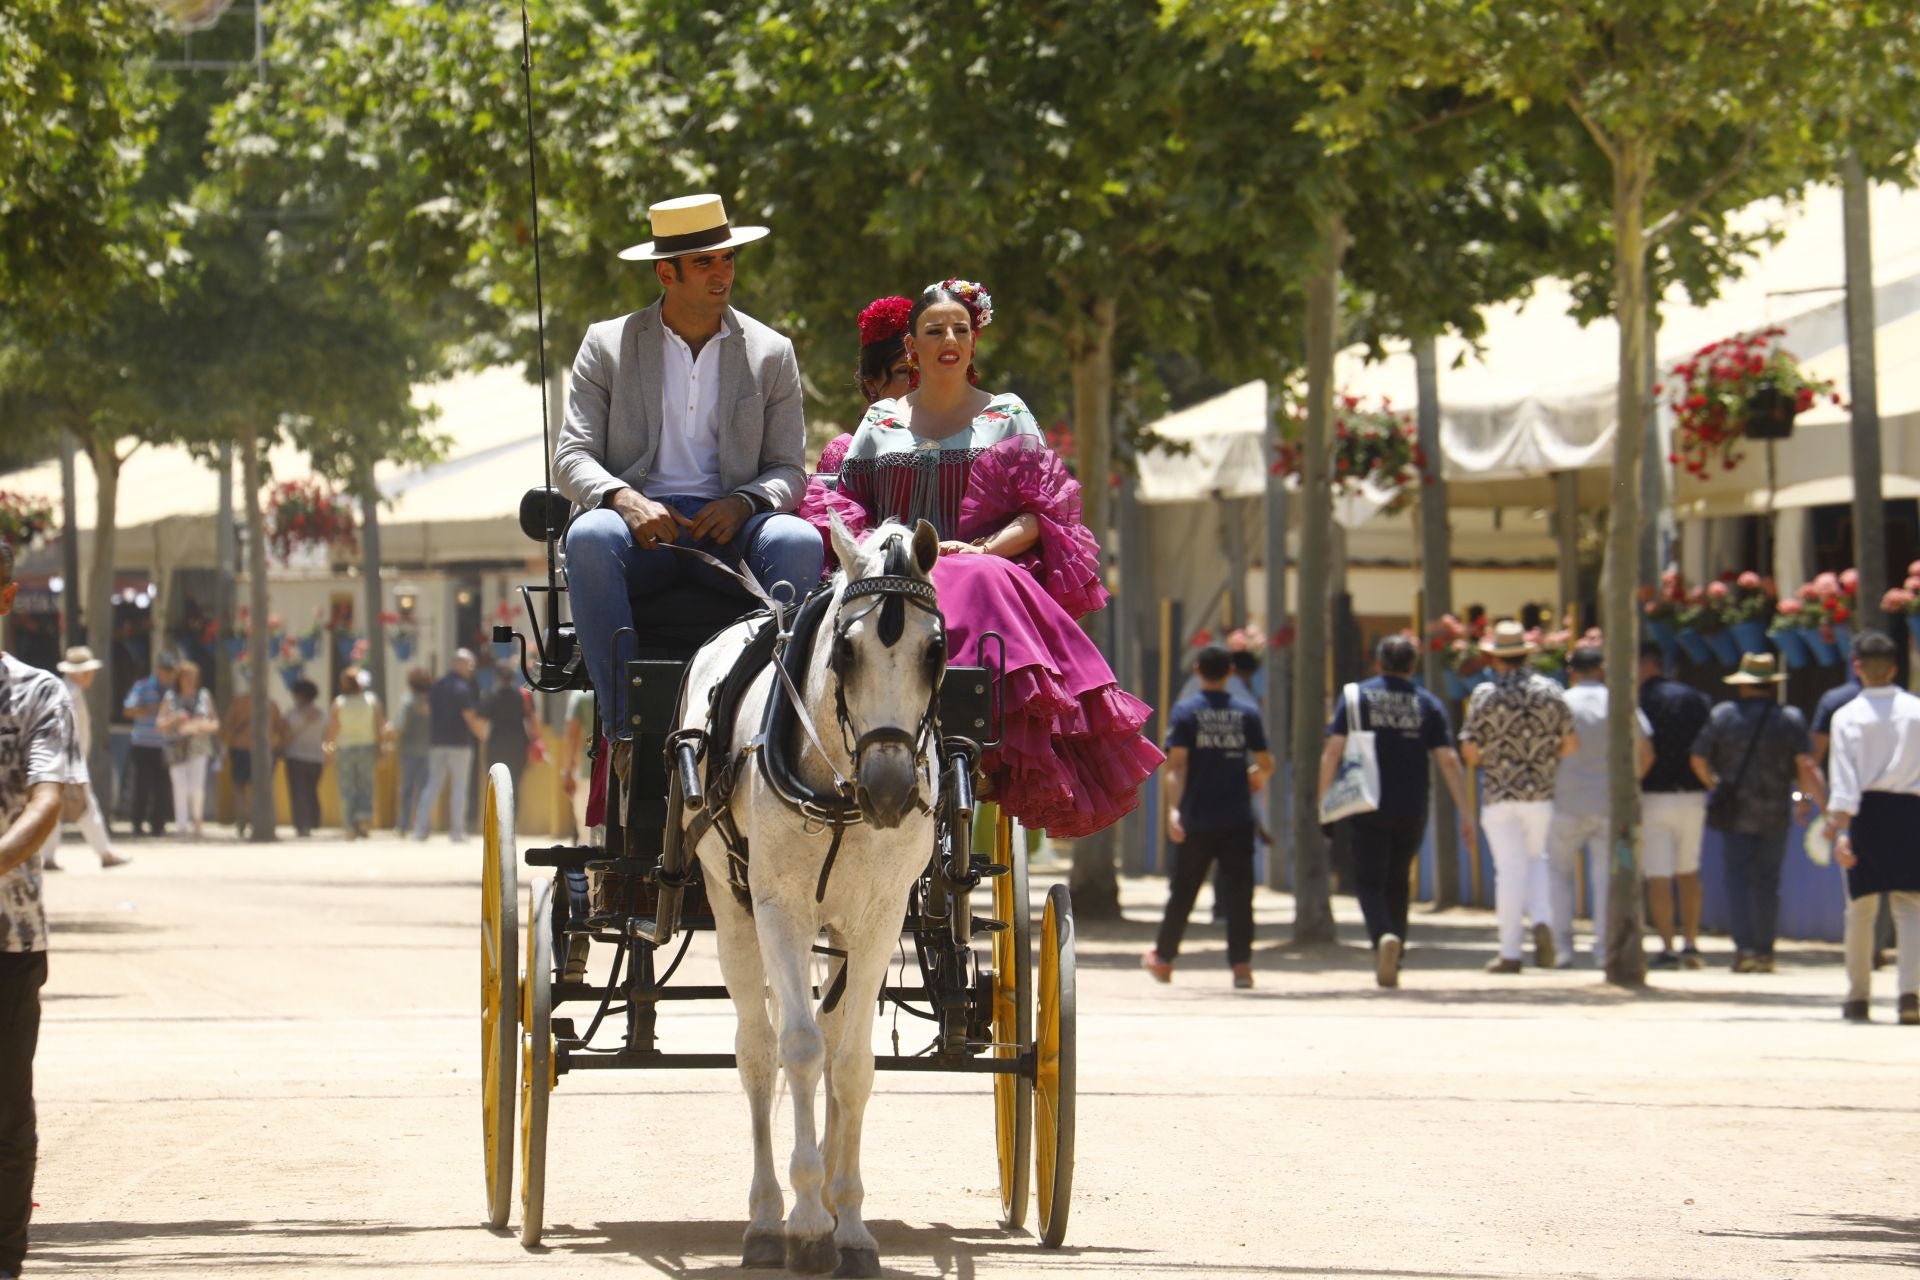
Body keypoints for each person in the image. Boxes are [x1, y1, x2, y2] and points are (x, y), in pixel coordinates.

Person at [818, 283, 1163, 837]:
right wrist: (882, 551)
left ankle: (965, 735)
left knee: (972, 573)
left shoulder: (1007, 414)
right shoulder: (880, 420)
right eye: (935, 331)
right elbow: (845, 500)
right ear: (912, 346)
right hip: (892, 572)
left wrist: (978, 548)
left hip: (987, 566)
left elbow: (1041, 514)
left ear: (973, 342)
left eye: (960, 329)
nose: (949, 339)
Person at [553, 193, 824, 773]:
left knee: (800, 542)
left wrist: (744, 501)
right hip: (636, 530)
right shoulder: (607, 345)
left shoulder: (771, 352)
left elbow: (788, 469)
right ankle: (624, 726)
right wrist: (625, 501)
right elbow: (571, 457)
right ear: (665, 272)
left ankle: (778, 722)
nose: (722, 273)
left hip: (732, 528)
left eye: (726, 259)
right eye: (705, 263)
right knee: (589, 538)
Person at [0, 539, 89, 1280]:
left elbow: (46, 801)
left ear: (6, 598)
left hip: (8, 936)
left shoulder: (36, 694)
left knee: (4, 1115)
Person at [1317, 634, 1475, 987]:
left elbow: (1333, 750)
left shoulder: (1356, 697)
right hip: (1412, 802)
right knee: (1399, 880)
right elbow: (1448, 759)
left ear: (1377, 663)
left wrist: (1323, 798)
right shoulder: (1427, 703)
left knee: (1369, 881)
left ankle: (1382, 937)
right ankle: (1397, 952)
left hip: (1366, 800)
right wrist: (1465, 810)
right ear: (1413, 666)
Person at [1142, 646, 1275, 989]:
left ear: (1198, 669)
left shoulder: (1186, 712)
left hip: (1197, 817)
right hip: (1238, 818)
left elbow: (1177, 766)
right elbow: (1266, 763)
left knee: (1183, 890)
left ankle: (1164, 959)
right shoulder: (1247, 712)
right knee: (1240, 893)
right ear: (1230, 671)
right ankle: (1241, 967)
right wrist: (1256, 778)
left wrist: (1174, 809)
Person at [1689, 653, 1822, 974]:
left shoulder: (1724, 716)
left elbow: (1698, 758)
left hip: (1734, 811)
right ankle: (1765, 951)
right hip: (1776, 810)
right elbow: (1804, 766)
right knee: (1767, 881)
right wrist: (1800, 799)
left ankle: (1744, 949)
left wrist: (1715, 785)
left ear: (1744, 685)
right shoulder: (1789, 719)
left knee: (1737, 878)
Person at [1458, 620, 1577, 974]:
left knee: (1508, 871)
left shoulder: (1484, 695)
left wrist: (1493, 756)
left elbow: (1469, 750)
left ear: (1496, 659)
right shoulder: (1552, 692)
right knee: (1536, 859)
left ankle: (1510, 950)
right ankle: (1541, 919)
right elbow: (1571, 743)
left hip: (1499, 793)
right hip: (1540, 793)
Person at [1823, 630, 1920, 1024]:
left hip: (1865, 814)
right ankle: (1910, 995)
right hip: (1911, 813)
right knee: (1911, 908)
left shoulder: (1847, 716)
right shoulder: (1917, 711)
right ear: (1895, 667)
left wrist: (1840, 830)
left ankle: (1858, 996)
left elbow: (1844, 782)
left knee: (1859, 911)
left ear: (1856, 666)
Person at [1547, 645, 1653, 968]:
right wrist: (1628, 787)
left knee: (1557, 874)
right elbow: (1646, 752)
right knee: (1606, 879)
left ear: (1571, 672)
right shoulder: (1619, 702)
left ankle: (1561, 948)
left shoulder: (1560, 704)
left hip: (1564, 800)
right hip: (1610, 802)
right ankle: (1604, 950)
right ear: (1602, 669)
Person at [1638, 641, 1714, 968]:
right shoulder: (1695, 699)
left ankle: (1667, 945)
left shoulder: (1636, 701)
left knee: (1658, 875)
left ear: (1644, 665)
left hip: (1653, 795)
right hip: (1693, 795)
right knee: (1688, 871)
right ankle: (1691, 942)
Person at [47, 648, 128, 871]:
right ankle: (105, 853)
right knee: (86, 808)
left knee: (57, 809)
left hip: (62, 761)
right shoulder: (69, 693)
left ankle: (48, 856)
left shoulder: (65, 691)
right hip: (67, 762)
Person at [411, 650, 489, 841]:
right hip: (459, 743)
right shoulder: (462, 688)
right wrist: (483, 735)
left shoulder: (437, 685)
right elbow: (469, 716)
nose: (472, 669)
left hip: (437, 742)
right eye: (470, 665)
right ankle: (457, 831)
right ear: (460, 664)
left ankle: (420, 830)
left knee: (433, 784)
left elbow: (427, 710)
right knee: (459, 787)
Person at [156, 659, 219, 840]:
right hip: (176, 747)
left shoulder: (204, 696)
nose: (190, 680)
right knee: (180, 787)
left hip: (199, 745)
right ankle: (181, 827)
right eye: (187, 677)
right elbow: (160, 724)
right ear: (179, 678)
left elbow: (215, 723)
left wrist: (201, 725)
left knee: (197, 787)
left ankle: (197, 821)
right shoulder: (170, 697)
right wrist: (175, 718)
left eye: (193, 677)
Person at [326, 667, 386, 840]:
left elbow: (333, 728)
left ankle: (349, 826)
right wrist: (381, 747)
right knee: (366, 785)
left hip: (344, 748)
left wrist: (328, 750)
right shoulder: (371, 700)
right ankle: (363, 820)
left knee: (347, 787)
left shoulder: (339, 703)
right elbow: (379, 726)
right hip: (366, 747)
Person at [220, 682, 286, 840]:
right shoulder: (270, 704)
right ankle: (261, 818)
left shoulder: (239, 703)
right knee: (262, 787)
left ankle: (243, 812)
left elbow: (227, 726)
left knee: (239, 786)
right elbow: (280, 728)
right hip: (264, 749)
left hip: (240, 747)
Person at [123, 651, 176, 837]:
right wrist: (150, 709)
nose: (167, 674)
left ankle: (158, 825)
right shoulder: (143, 686)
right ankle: (137, 823)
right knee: (141, 785)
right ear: (157, 669)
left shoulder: (173, 691)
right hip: (143, 743)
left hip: (164, 745)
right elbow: (128, 710)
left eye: (170, 670)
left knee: (162, 787)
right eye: (165, 669)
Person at [481, 660, 535, 800]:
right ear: (513, 677)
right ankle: (512, 818)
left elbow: (482, 721)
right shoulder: (523, 695)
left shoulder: (490, 695)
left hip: (496, 744)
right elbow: (532, 720)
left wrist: (483, 737)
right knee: (515, 783)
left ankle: (498, 818)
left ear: (497, 677)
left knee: (496, 782)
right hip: (518, 743)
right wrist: (535, 740)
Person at [282, 678, 328, 838]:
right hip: (316, 758)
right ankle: (314, 822)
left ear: (299, 695)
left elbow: (287, 735)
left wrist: (281, 748)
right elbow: (327, 738)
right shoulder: (323, 715)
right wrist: (328, 754)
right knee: (311, 791)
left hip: (295, 757)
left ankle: (302, 825)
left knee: (298, 792)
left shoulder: (292, 714)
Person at [394, 668, 435, 836]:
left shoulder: (408, 701)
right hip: (428, 750)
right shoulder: (434, 701)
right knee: (425, 789)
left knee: (407, 789)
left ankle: (403, 825)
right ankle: (423, 824)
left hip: (409, 750)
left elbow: (400, 725)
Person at [560, 687, 600, 847]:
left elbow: (571, 735)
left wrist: (567, 771)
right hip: (618, 767)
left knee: (586, 824)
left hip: (587, 767)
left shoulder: (580, 695)